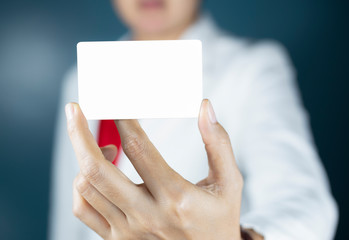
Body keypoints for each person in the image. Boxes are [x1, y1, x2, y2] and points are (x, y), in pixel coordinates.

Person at [49, 0, 338, 239]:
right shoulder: (79, 79)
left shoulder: (252, 68)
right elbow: (68, 218)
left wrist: (237, 237)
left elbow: (306, 202)